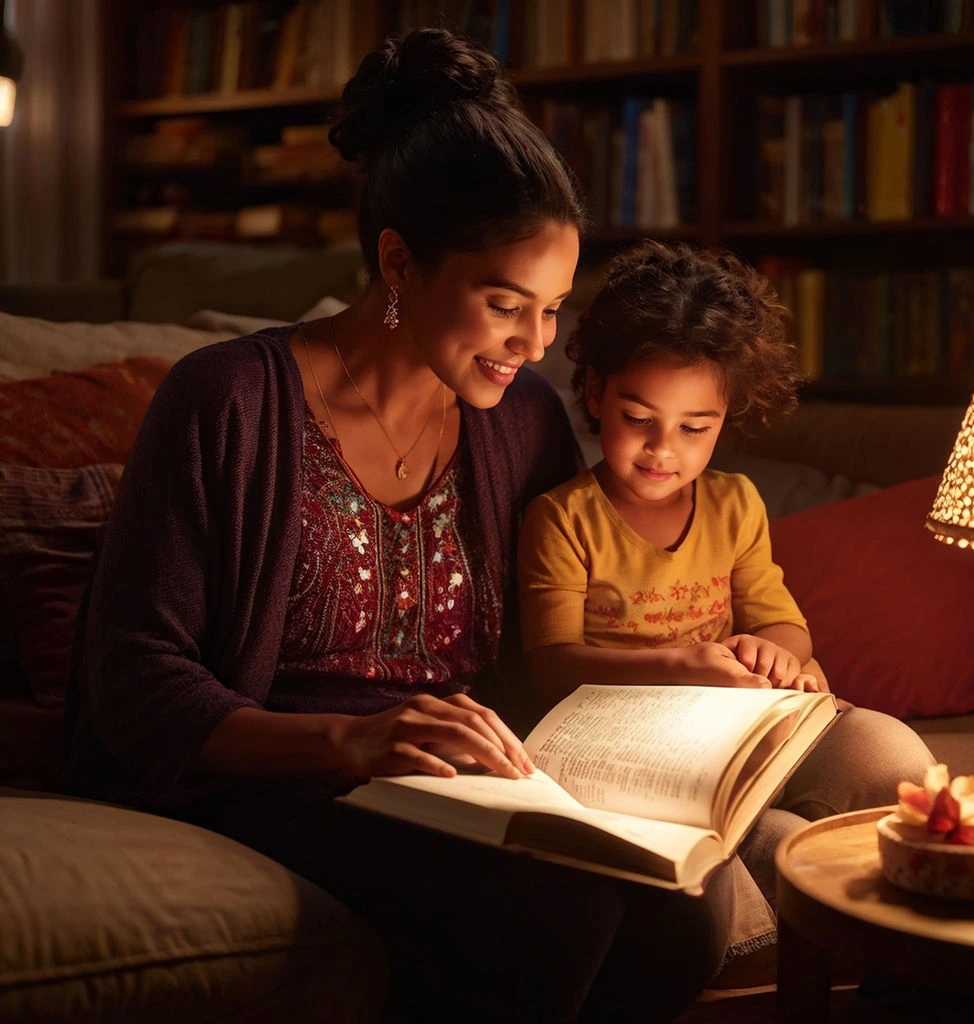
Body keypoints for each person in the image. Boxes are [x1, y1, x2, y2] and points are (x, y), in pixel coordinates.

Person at [65, 30, 757, 1024]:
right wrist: (351, 740)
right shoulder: (226, 400)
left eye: (554, 309)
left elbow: (536, 651)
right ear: (398, 263)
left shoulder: (521, 422)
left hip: (464, 782)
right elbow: (134, 688)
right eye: (504, 303)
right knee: (549, 915)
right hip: (277, 775)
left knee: (686, 910)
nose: (536, 343)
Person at [517, 239, 936, 906]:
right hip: (623, 747)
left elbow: (784, 624)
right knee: (771, 844)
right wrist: (683, 664)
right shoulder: (564, 517)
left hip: (731, 725)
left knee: (888, 755)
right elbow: (552, 664)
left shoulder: (735, 503)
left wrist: (772, 654)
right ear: (595, 393)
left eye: (694, 428)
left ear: (724, 421)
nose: (662, 450)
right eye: (638, 419)